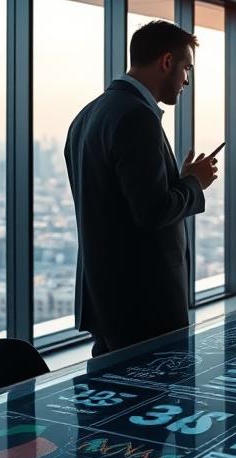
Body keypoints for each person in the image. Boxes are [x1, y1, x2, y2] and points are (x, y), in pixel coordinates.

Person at [65, 20, 219, 357]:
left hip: (107, 299)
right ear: (167, 62)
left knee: (115, 403)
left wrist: (176, 180)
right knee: (160, 406)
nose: (187, 80)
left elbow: (117, 206)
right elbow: (152, 213)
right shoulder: (138, 117)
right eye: (186, 68)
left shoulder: (88, 115)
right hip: (145, 303)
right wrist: (195, 183)